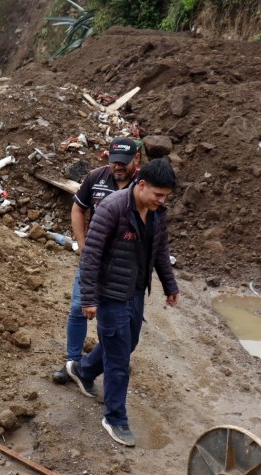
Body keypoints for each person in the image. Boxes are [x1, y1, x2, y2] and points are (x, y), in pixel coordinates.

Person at [66, 158, 179, 447]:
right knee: (119, 359)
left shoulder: (157, 213)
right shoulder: (112, 208)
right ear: (141, 185)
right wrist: (89, 298)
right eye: (158, 194)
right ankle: (115, 418)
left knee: (127, 343)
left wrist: (170, 285)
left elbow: (160, 251)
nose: (162, 201)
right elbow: (91, 255)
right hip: (110, 294)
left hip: (135, 291)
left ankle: (84, 369)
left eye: (166, 196)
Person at [52, 137, 141, 385]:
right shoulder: (96, 178)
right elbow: (78, 208)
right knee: (79, 308)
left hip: (124, 265)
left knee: (115, 318)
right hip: (94, 258)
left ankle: (107, 360)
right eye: (114, 162)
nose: (118, 167)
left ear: (137, 159)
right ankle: (73, 362)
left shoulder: (143, 184)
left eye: (124, 163)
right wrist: (82, 244)